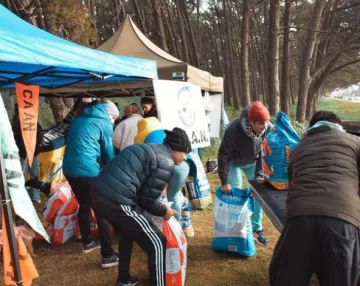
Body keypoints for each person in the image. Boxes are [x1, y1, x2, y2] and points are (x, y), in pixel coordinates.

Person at [91, 127, 192, 286]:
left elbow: (142, 191)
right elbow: (147, 201)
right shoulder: (166, 161)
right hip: (116, 200)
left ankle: (124, 280)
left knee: (127, 233)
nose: (185, 158)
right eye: (185, 152)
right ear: (176, 149)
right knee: (158, 243)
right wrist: (163, 210)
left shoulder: (152, 149)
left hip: (98, 193)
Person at [270, 111, 360, 286]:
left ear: (312, 127)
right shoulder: (355, 142)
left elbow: (292, 184)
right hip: (341, 221)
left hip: (299, 221)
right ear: (338, 125)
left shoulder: (298, 148)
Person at [63, 100, 118, 269]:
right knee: (102, 211)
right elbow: (108, 153)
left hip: (69, 169)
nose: (113, 122)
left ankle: (87, 242)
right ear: (110, 115)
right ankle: (108, 255)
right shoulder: (104, 123)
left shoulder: (78, 118)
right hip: (87, 170)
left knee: (85, 204)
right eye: (114, 119)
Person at [217, 101, 271, 246]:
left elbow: (265, 154)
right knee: (235, 193)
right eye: (260, 123)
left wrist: (259, 179)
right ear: (251, 122)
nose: (264, 126)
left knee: (259, 194)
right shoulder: (234, 129)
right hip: (234, 162)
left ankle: (256, 229)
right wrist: (224, 181)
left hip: (254, 162)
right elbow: (223, 155)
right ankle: (236, 228)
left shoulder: (267, 128)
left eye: (266, 122)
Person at [11, 103, 44, 203]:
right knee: (22, 175)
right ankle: (23, 198)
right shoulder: (14, 124)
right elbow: (14, 138)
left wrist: (35, 144)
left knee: (34, 174)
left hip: (34, 152)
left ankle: (35, 196)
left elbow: (40, 134)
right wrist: (21, 147)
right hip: (22, 153)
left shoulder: (32, 121)